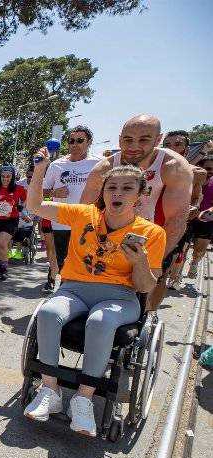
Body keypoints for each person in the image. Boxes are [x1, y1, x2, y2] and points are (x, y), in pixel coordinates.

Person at [25, 147, 165, 437]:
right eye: (112, 187)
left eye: (127, 188)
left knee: (100, 321)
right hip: (75, 288)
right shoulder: (83, 215)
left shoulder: (152, 233)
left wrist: (139, 259)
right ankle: (50, 390)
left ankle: (84, 398)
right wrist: (40, 171)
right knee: (49, 312)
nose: (118, 193)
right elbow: (36, 206)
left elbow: (144, 287)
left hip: (120, 295)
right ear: (104, 192)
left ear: (140, 195)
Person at [81, 115, 193, 311]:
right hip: (111, 237)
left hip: (156, 235)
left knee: (149, 286)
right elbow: (85, 214)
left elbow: (175, 221)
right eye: (128, 140)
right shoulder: (105, 168)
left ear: (158, 140)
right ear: (119, 139)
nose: (134, 146)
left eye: (143, 140)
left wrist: (148, 262)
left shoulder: (173, 167)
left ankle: (149, 314)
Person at [43, 125, 102, 279]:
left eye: (80, 140)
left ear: (89, 142)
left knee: (89, 262)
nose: (74, 144)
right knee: (64, 263)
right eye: (71, 141)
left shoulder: (100, 164)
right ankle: (66, 291)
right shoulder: (56, 165)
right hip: (62, 222)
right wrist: (55, 193)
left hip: (90, 223)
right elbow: (43, 193)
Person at [163, 131, 206, 289]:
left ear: (186, 150)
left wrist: (194, 206)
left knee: (167, 262)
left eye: (177, 144)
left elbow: (197, 196)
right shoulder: (154, 168)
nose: (172, 148)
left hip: (177, 223)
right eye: (167, 145)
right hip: (153, 221)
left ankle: (152, 309)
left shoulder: (196, 173)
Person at [0, 165, 27, 280]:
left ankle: (4, 269)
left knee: (2, 243)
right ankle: (1, 265)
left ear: (12, 177)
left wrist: (21, 206)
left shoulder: (19, 189)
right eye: (3, 176)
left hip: (11, 220)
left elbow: (25, 200)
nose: (5, 179)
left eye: (8, 176)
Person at [187, 156, 213, 279]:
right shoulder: (190, 180)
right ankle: (176, 273)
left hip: (207, 220)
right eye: (208, 168)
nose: (210, 171)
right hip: (188, 218)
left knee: (199, 249)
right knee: (184, 247)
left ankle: (194, 263)